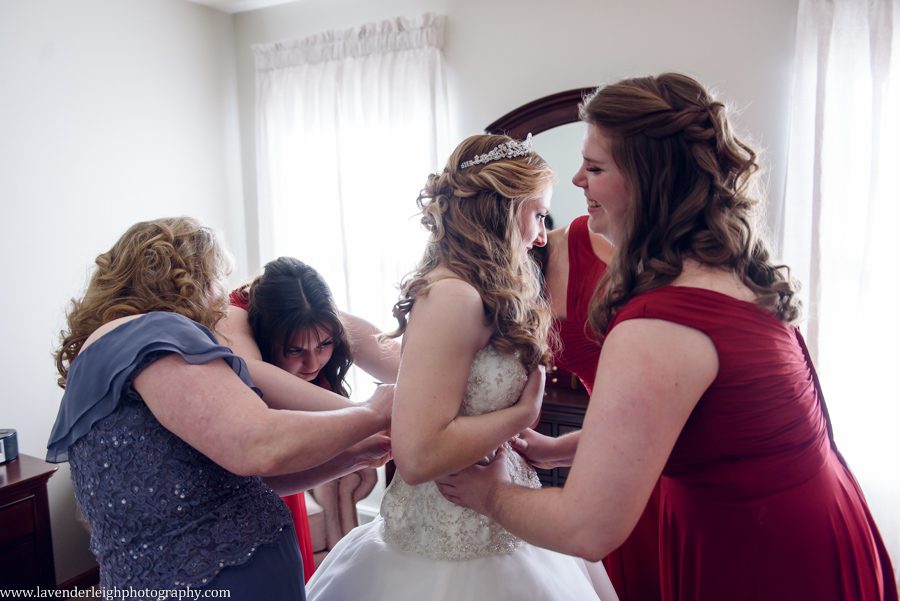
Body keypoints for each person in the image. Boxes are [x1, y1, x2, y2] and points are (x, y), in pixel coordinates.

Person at [438, 73, 899, 601]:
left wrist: (489, 494)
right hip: (811, 528)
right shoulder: (735, 272)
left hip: (758, 556)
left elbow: (586, 528)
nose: (576, 183)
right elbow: (708, 433)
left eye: (594, 167)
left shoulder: (661, 323)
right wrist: (561, 450)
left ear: (649, 181)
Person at [306, 134, 618, 600]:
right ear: (504, 208)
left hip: (502, 525)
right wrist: (519, 415)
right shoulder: (453, 296)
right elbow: (416, 458)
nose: (540, 235)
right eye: (537, 215)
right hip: (445, 539)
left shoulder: (478, 293)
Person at [46, 217, 392, 598]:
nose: (220, 299)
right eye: (216, 279)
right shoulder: (155, 334)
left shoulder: (110, 354)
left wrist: (352, 456)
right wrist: (372, 411)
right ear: (188, 277)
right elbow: (258, 444)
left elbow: (227, 482)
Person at [228, 255, 395, 581]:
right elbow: (254, 372)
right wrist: (368, 413)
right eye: (294, 351)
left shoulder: (317, 317)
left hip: (290, 469)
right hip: (245, 475)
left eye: (325, 345)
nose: (313, 362)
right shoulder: (234, 316)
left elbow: (407, 365)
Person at [526, 201, 662, 601]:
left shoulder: (591, 238)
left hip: (660, 428)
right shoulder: (507, 285)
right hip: (611, 447)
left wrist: (555, 450)